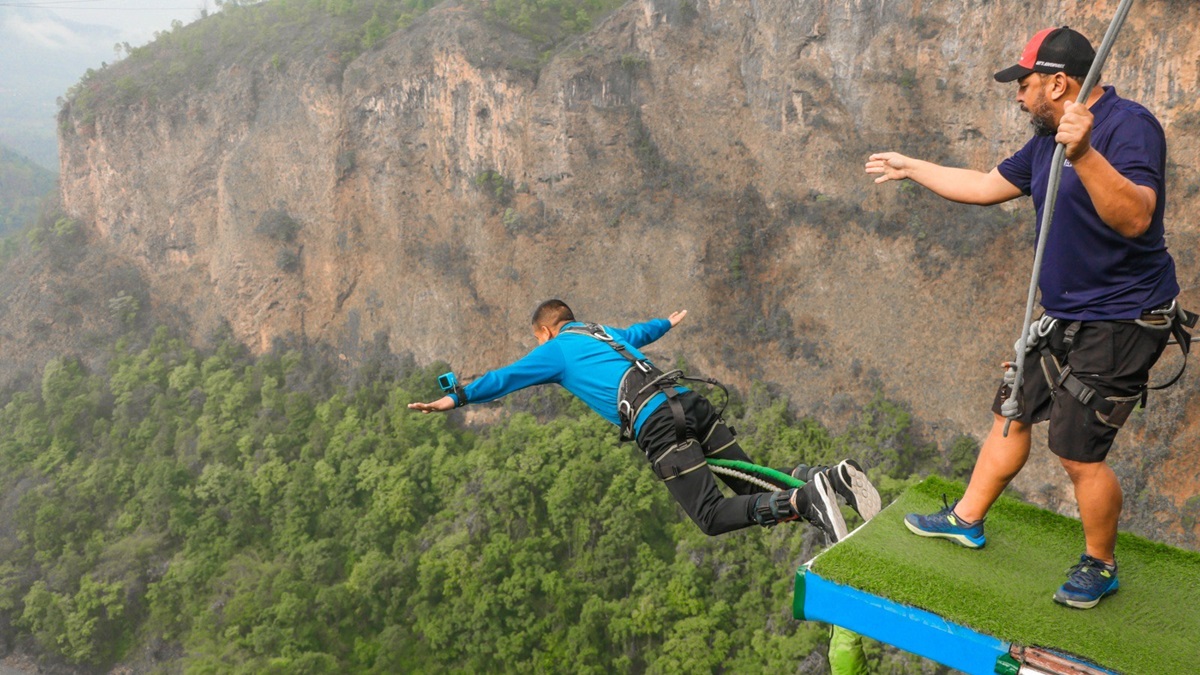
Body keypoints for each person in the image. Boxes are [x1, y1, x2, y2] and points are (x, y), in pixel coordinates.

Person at [865, 26, 1180, 608]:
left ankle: (1100, 563)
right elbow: (986, 186)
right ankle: (966, 518)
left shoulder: (1127, 126)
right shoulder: (1043, 140)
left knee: (1077, 450)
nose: (1018, 95)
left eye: (1025, 83)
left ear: (1058, 83)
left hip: (1122, 319)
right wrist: (912, 167)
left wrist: (1083, 153)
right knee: (1011, 412)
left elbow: (1137, 217)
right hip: (1062, 311)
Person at [409, 299, 881, 541]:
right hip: (687, 399)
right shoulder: (603, 332)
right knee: (751, 486)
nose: (540, 346)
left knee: (712, 517)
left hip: (658, 424)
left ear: (547, 330)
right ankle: (829, 479)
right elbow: (641, 332)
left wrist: (454, 399)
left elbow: (504, 378)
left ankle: (805, 500)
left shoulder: (554, 350)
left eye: (538, 338)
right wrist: (667, 324)